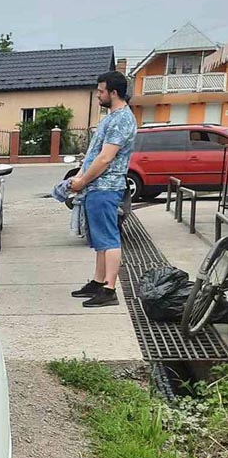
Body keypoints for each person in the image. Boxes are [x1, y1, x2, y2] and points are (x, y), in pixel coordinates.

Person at [70, 71, 137, 308]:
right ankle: (98, 282)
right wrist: (80, 176)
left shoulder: (122, 119)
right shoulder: (112, 117)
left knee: (109, 239)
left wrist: (82, 181)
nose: (98, 95)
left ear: (114, 93)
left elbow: (105, 158)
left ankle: (109, 289)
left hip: (106, 187)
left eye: (101, 91)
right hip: (97, 187)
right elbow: (94, 154)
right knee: (100, 238)